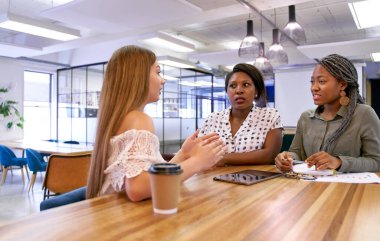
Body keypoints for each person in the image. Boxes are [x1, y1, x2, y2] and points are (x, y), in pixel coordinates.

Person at [86, 45, 226, 202]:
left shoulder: (119, 119)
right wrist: (198, 162)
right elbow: (138, 188)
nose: (163, 80)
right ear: (137, 77)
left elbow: (145, 175)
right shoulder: (139, 119)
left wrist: (183, 154)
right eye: (158, 72)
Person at [275, 54, 380, 173]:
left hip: (349, 189)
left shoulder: (364, 114)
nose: (314, 87)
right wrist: (287, 158)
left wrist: (339, 162)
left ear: (342, 85)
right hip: (311, 187)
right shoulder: (306, 118)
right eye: (312, 81)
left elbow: (376, 162)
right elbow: (297, 154)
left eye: (321, 81)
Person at [199, 63, 283, 165]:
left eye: (246, 85)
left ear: (256, 90)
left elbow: (269, 155)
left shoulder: (269, 116)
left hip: (256, 178)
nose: (238, 90)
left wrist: (224, 158)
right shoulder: (213, 119)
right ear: (227, 91)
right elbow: (199, 152)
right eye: (233, 86)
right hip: (211, 178)